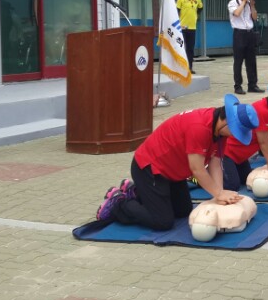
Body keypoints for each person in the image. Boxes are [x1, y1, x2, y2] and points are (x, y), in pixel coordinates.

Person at [95, 95, 257, 229]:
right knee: (162, 222)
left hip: (174, 172)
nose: (235, 136)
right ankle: (119, 203)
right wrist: (218, 194)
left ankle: (136, 191)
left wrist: (219, 194)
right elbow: (197, 169)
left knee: (183, 211)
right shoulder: (200, 127)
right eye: (236, 131)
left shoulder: (220, 131)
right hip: (151, 169)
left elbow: (216, 162)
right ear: (226, 121)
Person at [229, 0, 261, 94]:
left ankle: (252, 85)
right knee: (238, 61)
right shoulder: (233, 3)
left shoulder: (248, 3)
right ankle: (237, 86)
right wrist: (243, 2)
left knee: (251, 61)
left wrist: (252, 5)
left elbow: (255, 18)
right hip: (239, 34)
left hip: (250, 33)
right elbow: (237, 13)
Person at [176, 0, 203, 73]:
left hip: (192, 28)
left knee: (190, 49)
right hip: (182, 28)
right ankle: (180, 67)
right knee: (180, 47)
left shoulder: (198, 0)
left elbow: (200, 8)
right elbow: (176, 11)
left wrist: (195, 17)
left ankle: (189, 67)